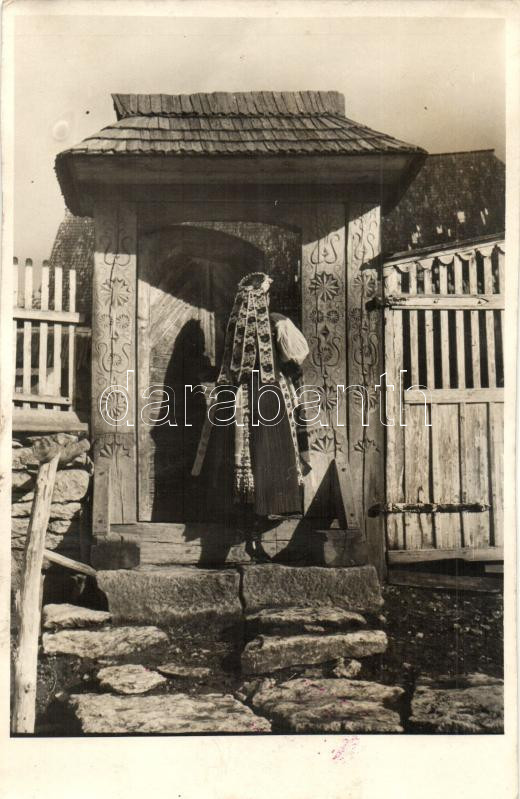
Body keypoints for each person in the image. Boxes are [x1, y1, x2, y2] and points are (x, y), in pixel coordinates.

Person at [192, 271, 310, 562]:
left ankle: (242, 533)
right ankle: (255, 537)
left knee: (241, 460)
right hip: (269, 397)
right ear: (263, 298)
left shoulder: (233, 324)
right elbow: (296, 357)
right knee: (268, 458)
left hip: (236, 397)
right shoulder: (277, 321)